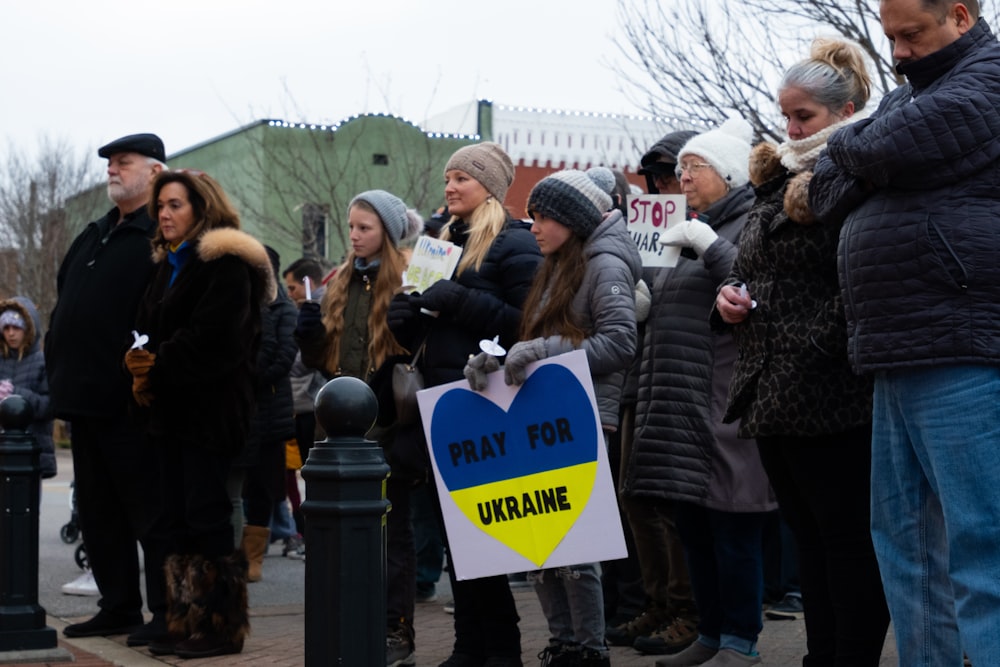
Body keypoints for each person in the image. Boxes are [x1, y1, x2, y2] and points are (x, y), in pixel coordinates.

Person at [809, 2, 1000, 663]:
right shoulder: (902, 100)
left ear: (959, 15)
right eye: (889, 37)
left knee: (982, 546)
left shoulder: (990, 76)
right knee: (905, 550)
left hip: (963, 345)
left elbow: (884, 146)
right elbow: (824, 194)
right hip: (892, 350)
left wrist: (853, 151)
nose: (896, 52)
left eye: (910, 35)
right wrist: (862, 157)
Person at [712, 38, 890, 667]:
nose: (789, 127)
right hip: (773, 388)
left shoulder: (862, 172)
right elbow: (754, 269)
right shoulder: (782, 173)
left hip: (834, 389)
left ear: (844, 113)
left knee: (845, 542)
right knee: (808, 540)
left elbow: (866, 274)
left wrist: (815, 341)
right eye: (785, 114)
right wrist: (729, 296)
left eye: (803, 116)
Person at [465, 166, 641, 666]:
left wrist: (539, 350)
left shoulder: (604, 264)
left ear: (572, 219)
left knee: (572, 547)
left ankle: (588, 649)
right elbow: (535, 346)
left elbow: (620, 343)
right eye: (532, 216)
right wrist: (495, 363)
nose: (533, 226)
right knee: (538, 541)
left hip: (582, 419)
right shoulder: (557, 263)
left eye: (542, 217)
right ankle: (564, 643)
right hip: (545, 419)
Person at [388, 142, 543, 667]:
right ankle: (468, 647)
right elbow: (430, 323)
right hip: (441, 399)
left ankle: (500, 649)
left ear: (491, 188)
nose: (450, 186)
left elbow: (526, 324)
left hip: (487, 401)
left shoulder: (515, 242)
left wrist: (455, 299)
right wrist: (404, 315)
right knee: (458, 539)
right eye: (448, 178)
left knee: (484, 539)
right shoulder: (442, 241)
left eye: (463, 178)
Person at [125, 168, 274, 659]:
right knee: (175, 521)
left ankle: (220, 629)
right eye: (161, 206)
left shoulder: (225, 265)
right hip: (169, 414)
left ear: (201, 209)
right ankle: (184, 620)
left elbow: (216, 342)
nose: (164, 214)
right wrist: (137, 364)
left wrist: (157, 365)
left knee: (207, 520)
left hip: (210, 414)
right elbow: (146, 332)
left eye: (175, 205)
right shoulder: (167, 265)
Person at [46, 133, 169, 645]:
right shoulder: (95, 232)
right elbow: (65, 299)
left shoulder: (158, 235)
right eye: (110, 164)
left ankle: (166, 612)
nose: (112, 171)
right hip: (84, 402)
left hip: (131, 403)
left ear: (155, 172)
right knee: (98, 512)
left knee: (150, 512)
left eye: (124, 162)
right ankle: (118, 606)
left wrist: (135, 376)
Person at [295, 189, 424, 667]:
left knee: (394, 539)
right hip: (341, 431)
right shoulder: (339, 281)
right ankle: (348, 622)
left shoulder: (409, 281)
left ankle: (396, 630)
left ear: (387, 234)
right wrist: (308, 337)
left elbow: (415, 358)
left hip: (390, 428)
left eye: (364, 228)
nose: (354, 236)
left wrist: (409, 333)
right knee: (337, 536)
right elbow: (324, 360)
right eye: (351, 226)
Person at [608, 131, 699, 652]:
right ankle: (658, 602)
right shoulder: (642, 229)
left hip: (681, 379)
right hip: (638, 376)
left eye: (674, 174)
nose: (666, 185)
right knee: (635, 500)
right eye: (658, 176)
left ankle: (685, 608)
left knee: (668, 503)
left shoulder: (708, 227)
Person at [230, 246, 298, 582]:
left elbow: (282, 357)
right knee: (234, 485)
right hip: (239, 411)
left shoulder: (283, 308)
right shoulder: (236, 305)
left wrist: (245, 373)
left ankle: (253, 557)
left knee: (262, 487)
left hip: (269, 412)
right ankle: (232, 551)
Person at [0, 298, 56, 479]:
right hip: (4, 449)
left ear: (28, 329)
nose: (11, 334)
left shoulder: (43, 362)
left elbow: (49, 406)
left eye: (16, 328)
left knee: (27, 505)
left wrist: (15, 395)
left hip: (32, 452)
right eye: (6, 328)